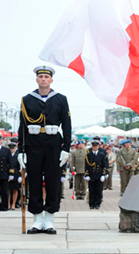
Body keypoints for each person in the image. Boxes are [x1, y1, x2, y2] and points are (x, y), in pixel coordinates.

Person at [18, 66, 71, 234]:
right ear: (36, 79)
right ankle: (36, 220)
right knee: (33, 182)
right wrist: (21, 150)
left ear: (51, 80)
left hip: (54, 145)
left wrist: (66, 148)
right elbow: (22, 127)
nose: (43, 79)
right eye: (40, 76)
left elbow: (67, 126)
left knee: (53, 182)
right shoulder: (27, 99)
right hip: (33, 145)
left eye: (46, 77)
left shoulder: (61, 99)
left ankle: (49, 219)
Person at [84, 140, 107, 209]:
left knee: (98, 190)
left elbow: (104, 165)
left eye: (96, 146)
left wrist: (103, 174)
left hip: (99, 174)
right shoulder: (88, 155)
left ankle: (97, 203)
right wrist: (87, 175)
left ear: (98, 146)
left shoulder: (102, 155)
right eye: (93, 146)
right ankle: (91, 204)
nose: (95, 147)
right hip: (91, 175)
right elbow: (86, 165)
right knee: (91, 190)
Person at [7, 141, 20, 210]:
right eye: (10, 148)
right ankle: (8, 204)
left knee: (15, 190)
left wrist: (20, 175)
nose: (12, 149)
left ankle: (13, 204)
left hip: (15, 174)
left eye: (13, 148)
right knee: (8, 190)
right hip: (8, 174)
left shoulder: (17, 155)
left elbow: (20, 166)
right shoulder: (7, 154)